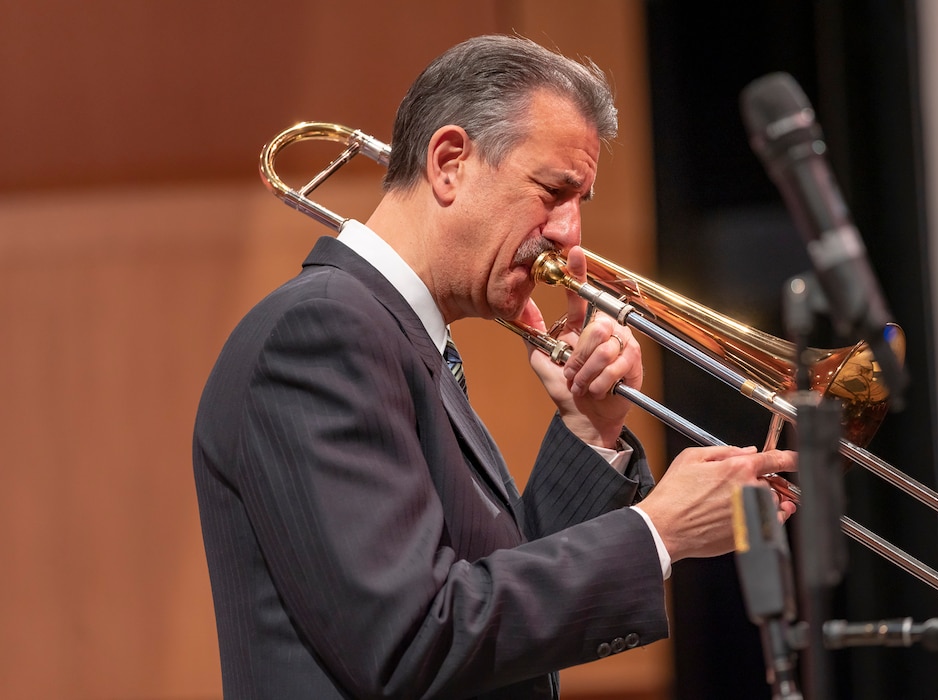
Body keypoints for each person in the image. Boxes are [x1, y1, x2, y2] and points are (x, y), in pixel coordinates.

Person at [192, 34, 796, 700]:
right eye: (552, 191)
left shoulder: (398, 338)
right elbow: (413, 640)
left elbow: (494, 613)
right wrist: (657, 532)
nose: (570, 233)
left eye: (579, 202)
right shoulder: (322, 332)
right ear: (449, 163)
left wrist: (589, 434)